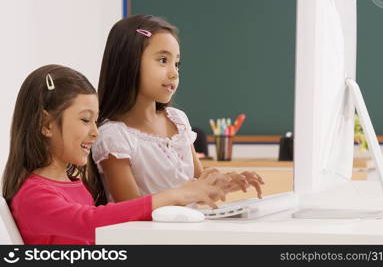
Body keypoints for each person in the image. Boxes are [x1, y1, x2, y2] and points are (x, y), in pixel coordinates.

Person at [1, 65, 226, 245]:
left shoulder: (75, 186)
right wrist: (176, 195)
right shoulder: (33, 195)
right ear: (46, 124)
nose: (95, 132)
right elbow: (89, 222)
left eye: (95, 120)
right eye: (84, 120)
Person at [92, 14, 264, 203]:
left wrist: (229, 181)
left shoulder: (177, 120)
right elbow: (131, 209)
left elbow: (199, 185)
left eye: (177, 64)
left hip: (187, 229)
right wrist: (191, 192)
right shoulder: (113, 137)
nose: (174, 73)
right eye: (163, 60)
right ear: (129, 62)